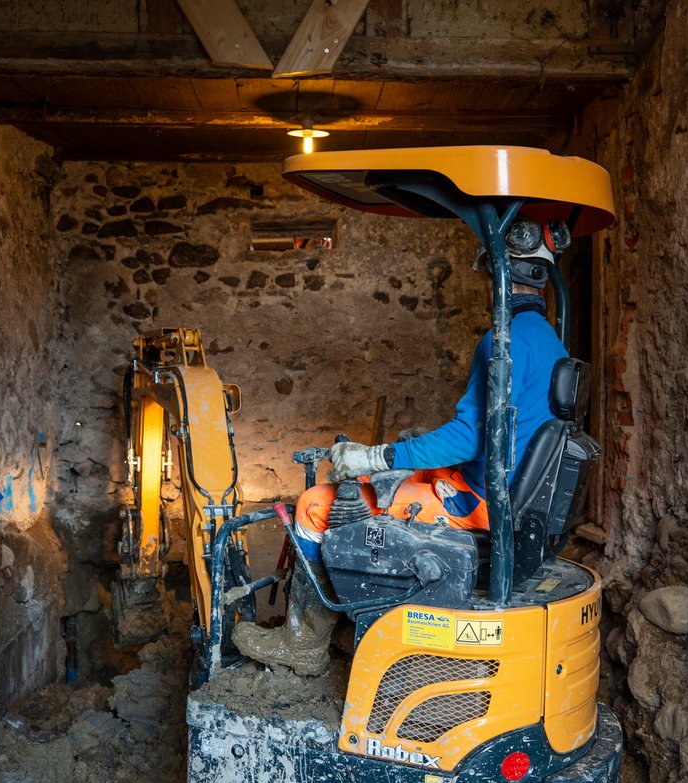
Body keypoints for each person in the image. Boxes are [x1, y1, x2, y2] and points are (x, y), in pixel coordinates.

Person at [232, 218, 571, 675]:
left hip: (482, 501)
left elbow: (470, 436)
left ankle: (304, 644)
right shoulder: (550, 341)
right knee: (403, 476)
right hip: (502, 487)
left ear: (500, 278)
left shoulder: (502, 342)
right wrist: (409, 455)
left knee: (315, 505)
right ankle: (351, 617)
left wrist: (377, 455)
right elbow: (500, 432)